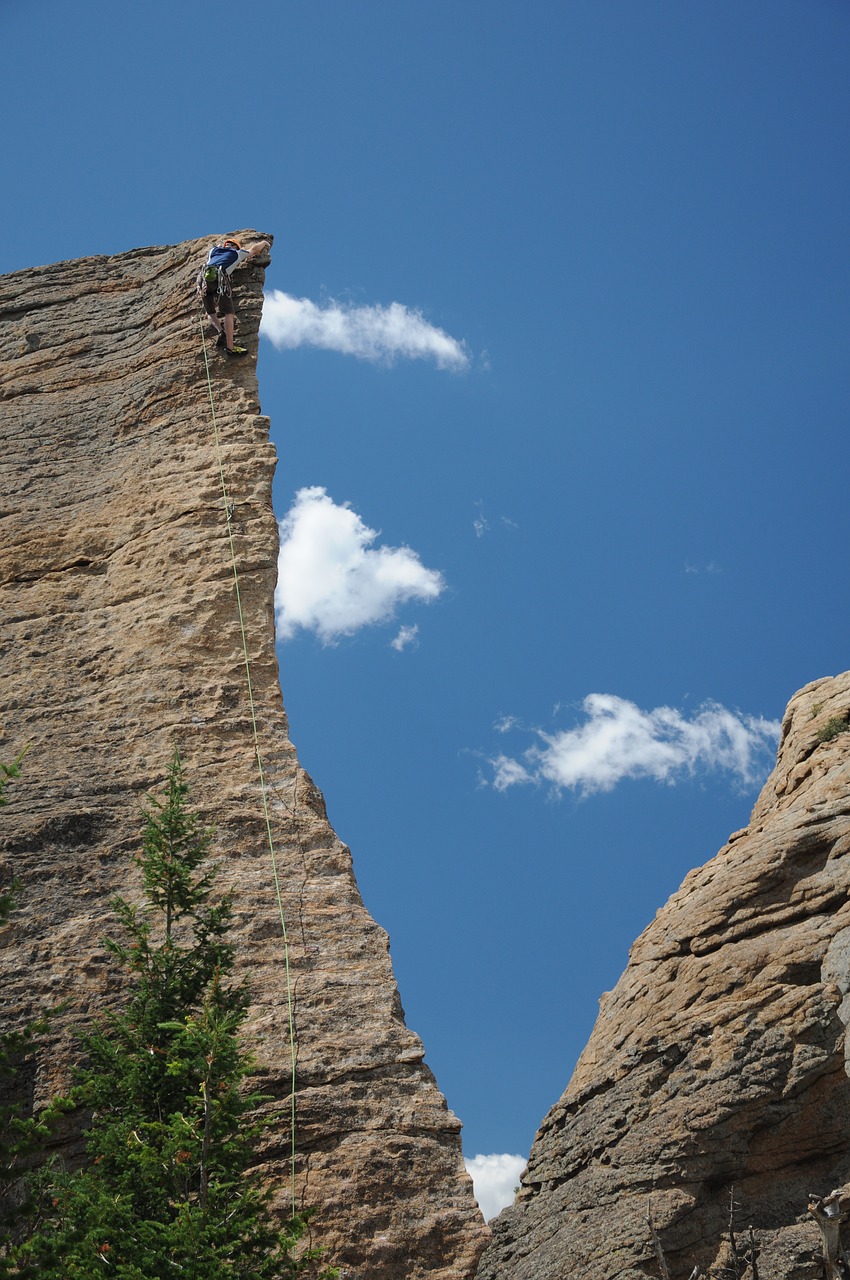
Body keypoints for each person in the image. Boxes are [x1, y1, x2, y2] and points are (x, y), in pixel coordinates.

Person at [198, 236, 271, 356]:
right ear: (236, 247)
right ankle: (230, 347)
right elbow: (254, 250)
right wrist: (263, 242)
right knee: (229, 313)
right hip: (220, 279)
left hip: (204, 281)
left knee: (210, 312)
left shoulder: (213, 251)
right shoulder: (237, 253)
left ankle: (221, 331)